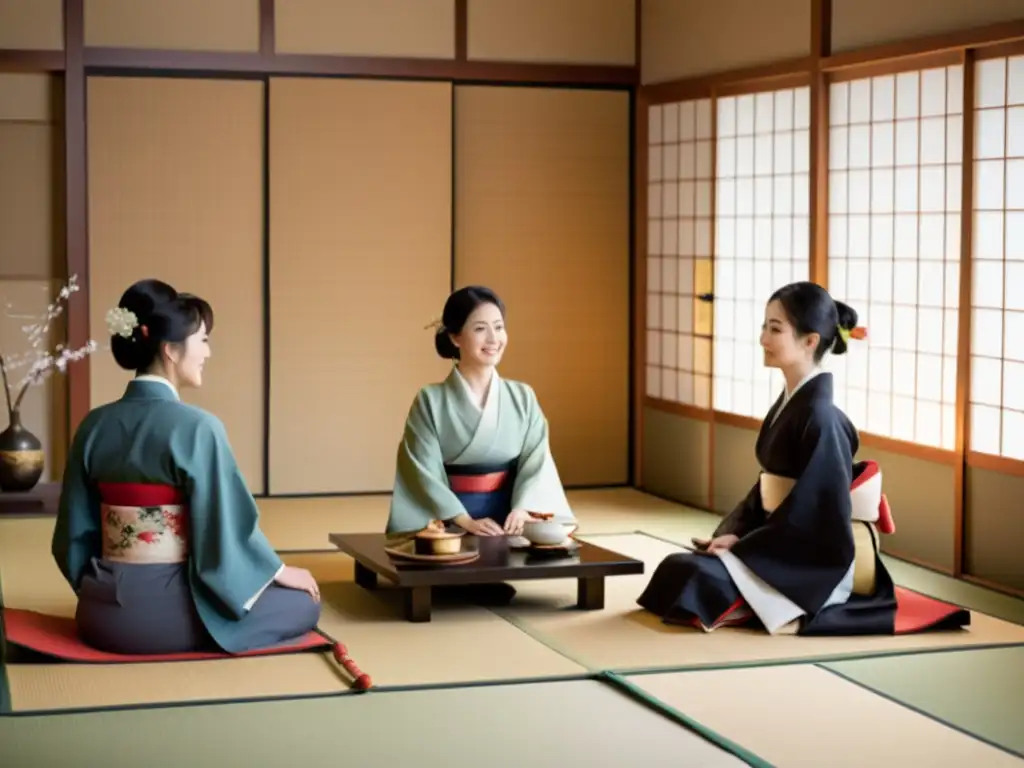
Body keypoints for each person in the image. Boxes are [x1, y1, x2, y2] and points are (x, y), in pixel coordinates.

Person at [637, 281, 968, 636]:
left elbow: (817, 512)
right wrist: (735, 534)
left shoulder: (822, 418)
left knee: (692, 575)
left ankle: (763, 608)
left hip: (809, 562)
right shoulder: (793, 404)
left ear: (810, 341)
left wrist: (742, 547)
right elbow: (767, 490)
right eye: (764, 326)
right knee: (681, 568)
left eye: (775, 329)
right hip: (774, 544)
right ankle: (741, 602)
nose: (763, 338)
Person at [52, 279, 321, 655]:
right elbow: (225, 528)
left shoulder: (93, 426)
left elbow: (72, 535)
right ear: (171, 351)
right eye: (204, 340)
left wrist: (101, 588)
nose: (208, 353)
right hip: (164, 614)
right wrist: (277, 572)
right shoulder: (198, 427)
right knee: (304, 603)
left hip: (99, 615)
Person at [385, 286, 575, 587]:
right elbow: (420, 470)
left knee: (550, 546)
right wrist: (463, 520)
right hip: (449, 521)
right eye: (480, 329)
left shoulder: (522, 396)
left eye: (499, 328)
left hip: (509, 520)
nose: (493, 339)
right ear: (455, 337)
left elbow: (536, 460)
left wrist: (523, 509)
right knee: (445, 560)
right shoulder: (430, 400)